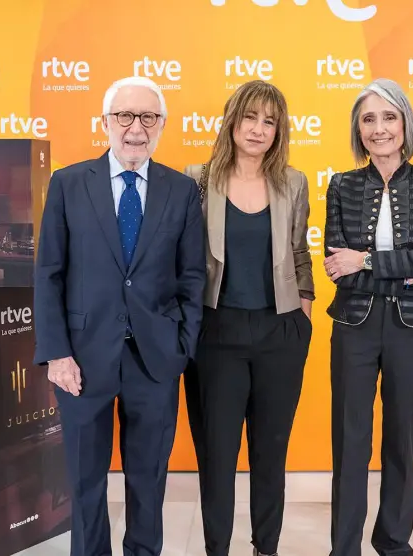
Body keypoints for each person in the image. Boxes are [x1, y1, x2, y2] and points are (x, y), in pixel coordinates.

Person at [33, 75, 206, 556]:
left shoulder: (181, 190)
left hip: (156, 359)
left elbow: (193, 277)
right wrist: (56, 354)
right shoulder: (68, 183)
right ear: (105, 122)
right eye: (125, 116)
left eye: (148, 117)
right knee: (85, 481)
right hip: (81, 360)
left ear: (162, 125)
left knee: (148, 480)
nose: (136, 128)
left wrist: (182, 346)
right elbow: (49, 273)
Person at [182, 79, 315, 556]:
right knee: (217, 455)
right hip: (216, 333)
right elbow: (183, 256)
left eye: (270, 121)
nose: (259, 129)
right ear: (232, 121)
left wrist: (303, 313)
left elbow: (299, 252)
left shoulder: (293, 182)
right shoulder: (197, 178)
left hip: (280, 331)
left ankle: (266, 547)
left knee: (270, 452)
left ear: (279, 131)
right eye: (250, 117)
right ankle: (216, 547)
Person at [322, 78, 413, 556]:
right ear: (358, 129)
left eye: (389, 116)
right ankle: (344, 548)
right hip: (353, 327)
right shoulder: (342, 185)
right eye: (369, 119)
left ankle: (394, 542)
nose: (379, 128)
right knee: (350, 442)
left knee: (402, 440)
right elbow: (337, 268)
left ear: (405, 124)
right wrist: (405, 268)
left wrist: (366, 260)